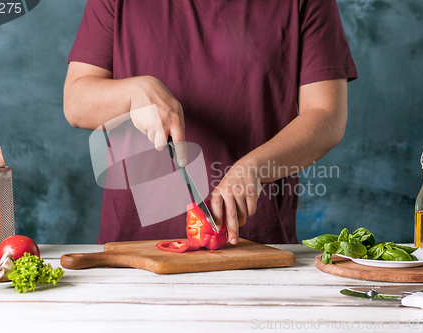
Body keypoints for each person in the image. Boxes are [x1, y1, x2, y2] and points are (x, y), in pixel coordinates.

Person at [63, 0, 358, 245]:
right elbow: (76, 103)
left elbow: (327, 115)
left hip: (253, 246)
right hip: (132, 248)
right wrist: (133, 92)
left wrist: (255, 166)